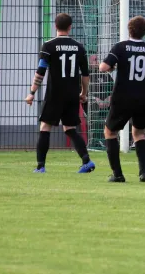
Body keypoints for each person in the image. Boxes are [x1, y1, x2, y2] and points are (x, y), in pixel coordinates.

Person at [100, 15, 145, 183]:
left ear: (129, 30)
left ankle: (117, 174)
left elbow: (103, 67)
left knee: (110, 132)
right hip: (142, 98)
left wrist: (113, 67)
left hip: (122, 97)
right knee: (138, 133)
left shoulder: (120, 47)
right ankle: (143, 173)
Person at [24, 13, 94, 174]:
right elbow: (85, 75)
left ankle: (40, 166)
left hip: (55, 94)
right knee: (70, 128)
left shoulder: (48, 46)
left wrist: (32, 93)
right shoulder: (79, 47)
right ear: (70, 27)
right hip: (72, 94)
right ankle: (86, 161)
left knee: (45, 127)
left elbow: (40, 71)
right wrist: (83, 93)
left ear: (55, 26)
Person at [84, 54, 113, 150]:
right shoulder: (87, 75)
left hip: (107, 103)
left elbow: (113, 88)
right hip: (93, 103)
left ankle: (114, 140)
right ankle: (94, 141)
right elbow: (84, 91)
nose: (97, 61)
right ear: (89, 62)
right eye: (94, 60)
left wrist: (109, 98)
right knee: (93, 105)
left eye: (97, 60)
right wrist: (96, 99)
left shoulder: (105, 74)